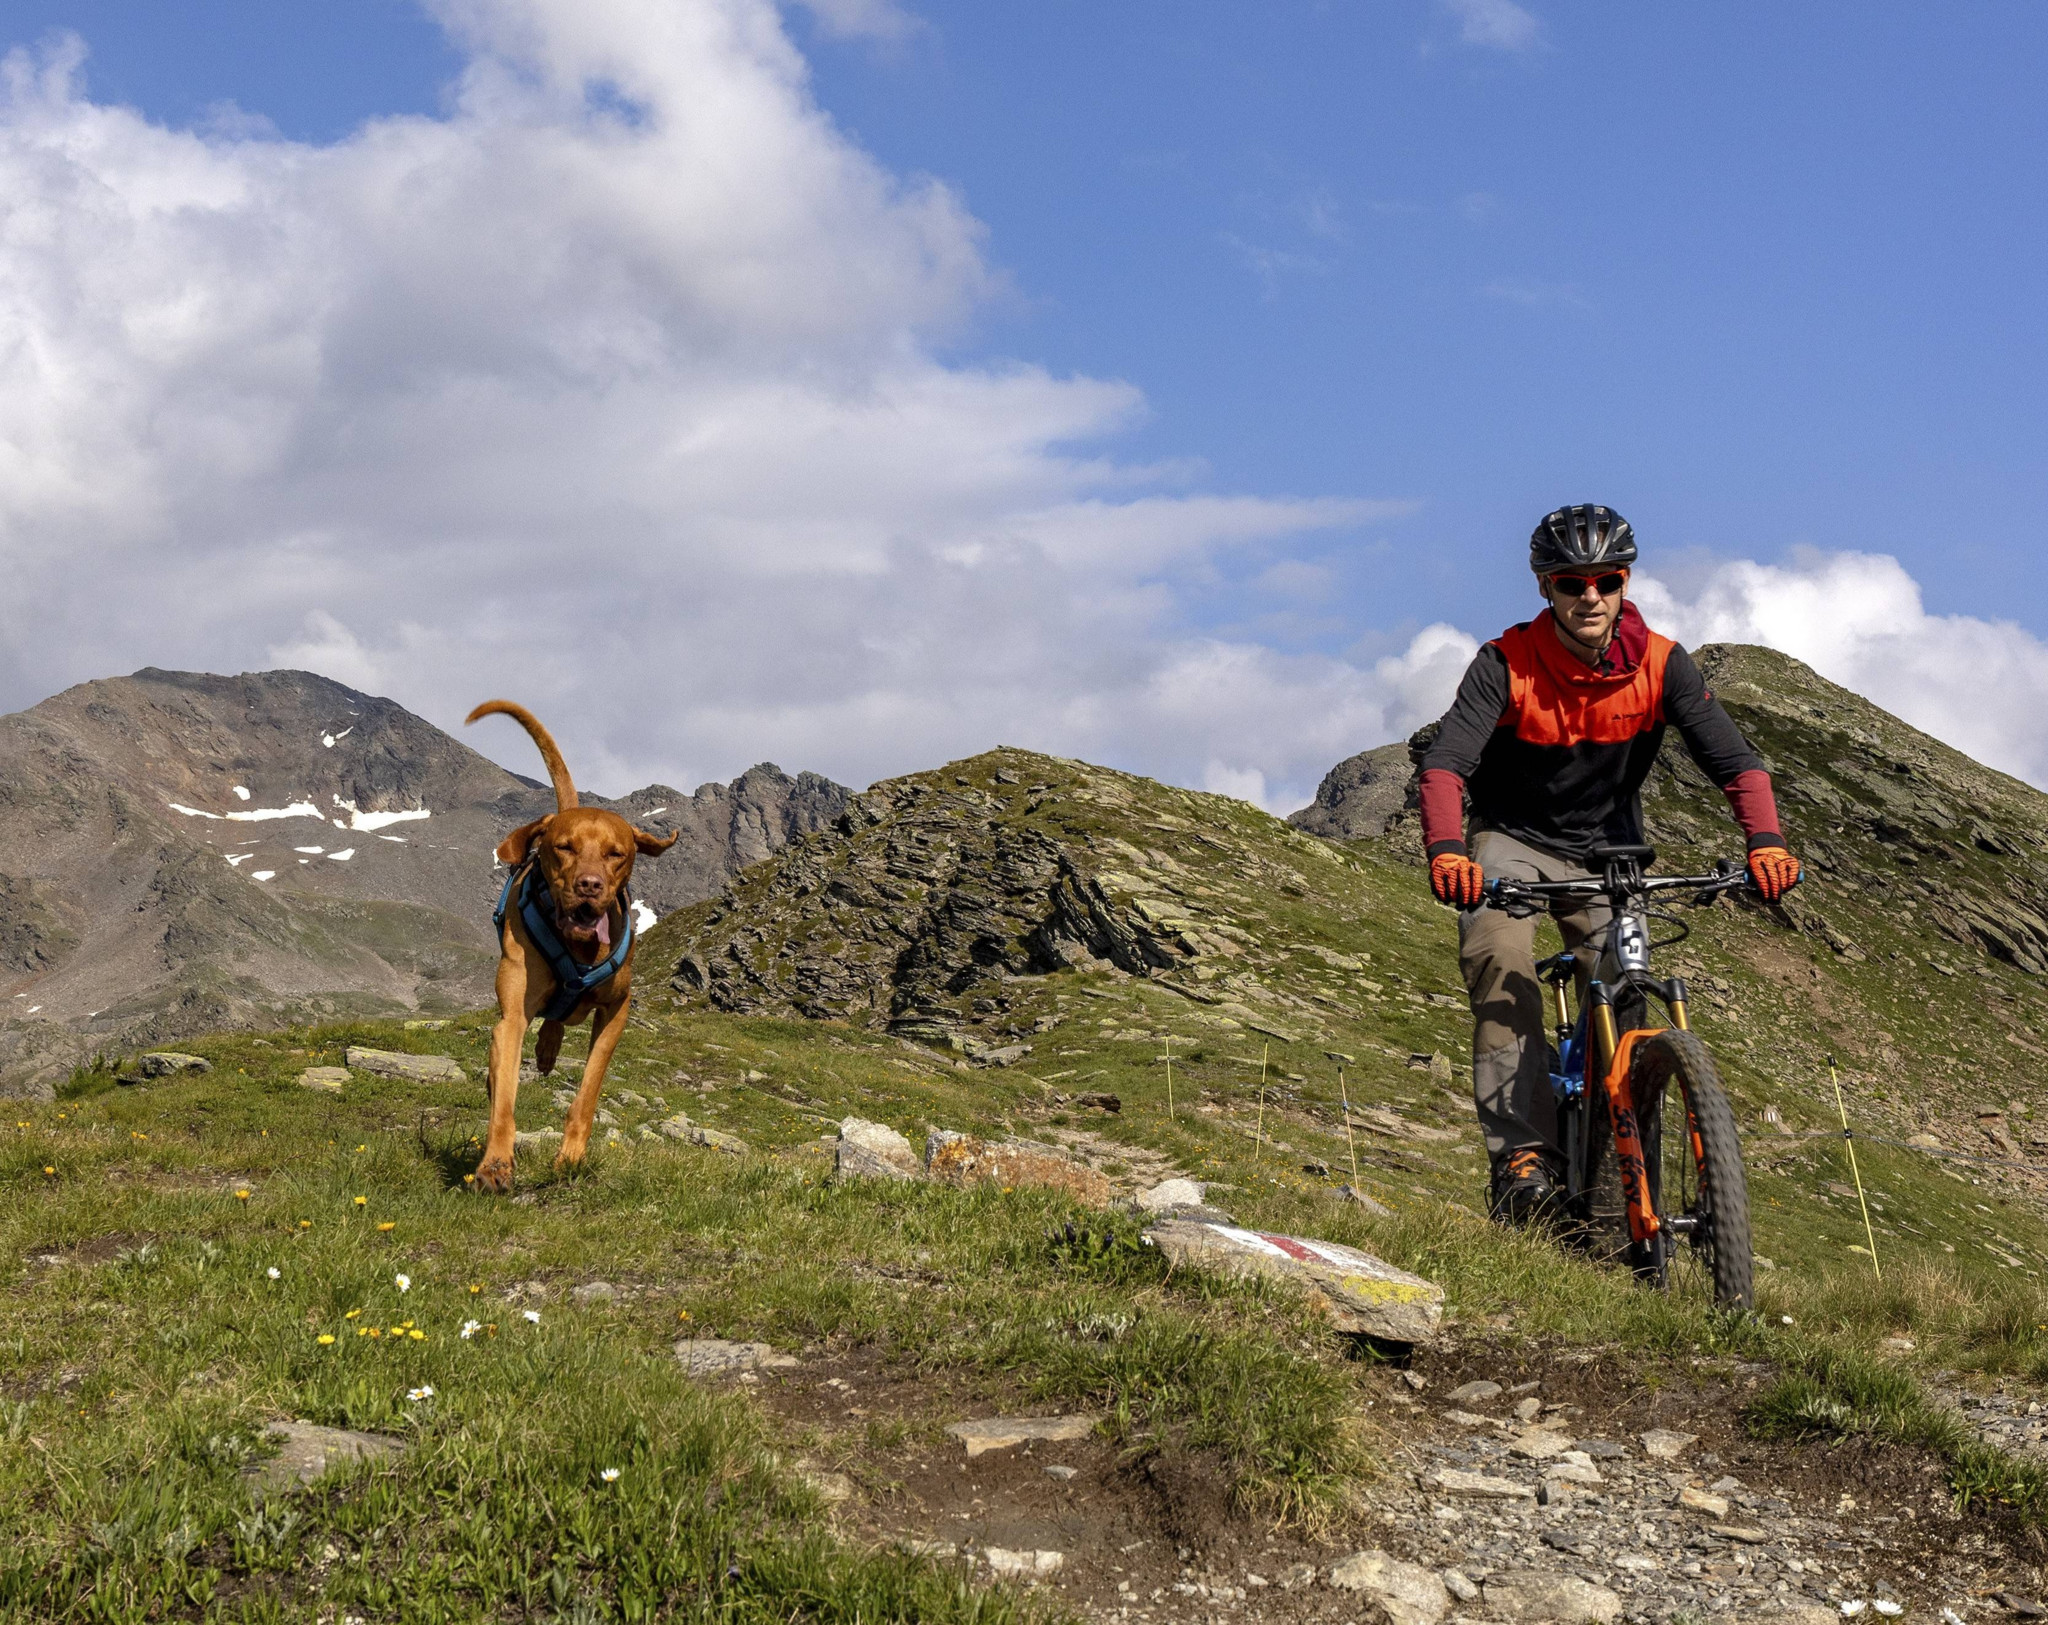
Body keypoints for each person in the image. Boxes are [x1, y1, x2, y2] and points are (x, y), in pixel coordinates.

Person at [1416, 504, 1802, 1224]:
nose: (1588, 596)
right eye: (1570, 582)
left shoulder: (1661, 663)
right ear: (1545, 588)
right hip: (1515, 841)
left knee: (1626, 997)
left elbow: (1737, 764)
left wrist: (1766, 840)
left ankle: (1621, 1198)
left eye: (1605, 579)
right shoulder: (1505, 663)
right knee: (1500, 958)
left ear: (1625, 582)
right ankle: (1522, 1159)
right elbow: (1444, 768)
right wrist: (1446, 850)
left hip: (1612, 855)